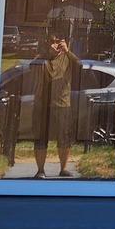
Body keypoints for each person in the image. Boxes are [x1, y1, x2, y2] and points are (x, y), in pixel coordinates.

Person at [31, 30, 82, 179]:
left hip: (62, 103)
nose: (56, 45)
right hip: (43, 103)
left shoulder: (68, 58)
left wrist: (68, 51)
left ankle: (63, 168)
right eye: (52, 41)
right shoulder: (42, 58)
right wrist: (47, 55)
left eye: (58, 41)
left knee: (64, 137)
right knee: (41, 137)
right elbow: (32, 67)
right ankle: (40, 170)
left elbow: (80, 67)